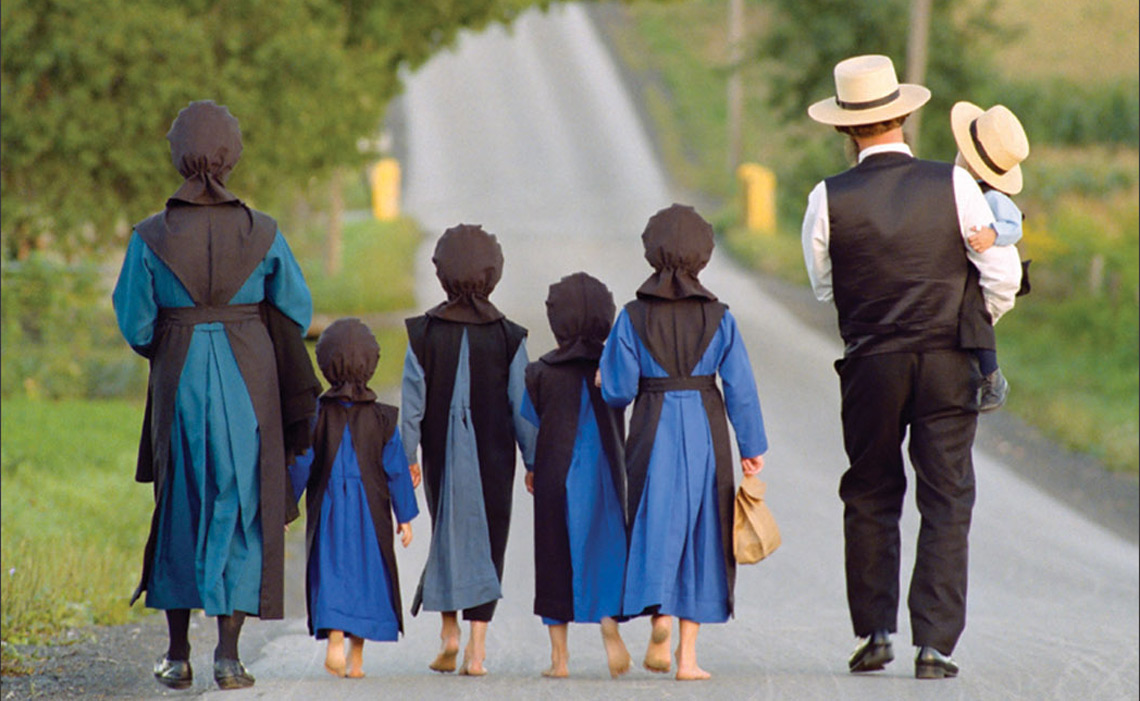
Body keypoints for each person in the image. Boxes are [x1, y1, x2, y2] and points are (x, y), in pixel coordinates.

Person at [801, 55, 1022, 679]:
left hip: (871, 361)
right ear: (904, 113)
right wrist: (972, 321)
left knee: (870, 489)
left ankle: (874, 632)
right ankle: (935, 644)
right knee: (947, 495)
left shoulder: (827, 197)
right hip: (948, 358)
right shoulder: (952, 185)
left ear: (846, 129)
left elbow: (824, 285)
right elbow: (1000, 273)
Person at [113, 100, 316, 690]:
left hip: (178, 375)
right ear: (232, 156)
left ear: (177, 154)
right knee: (243, 506)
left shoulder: (149, 235)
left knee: (180, 502)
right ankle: (229, 656)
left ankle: (177, 655)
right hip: (249, 376)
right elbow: (296, 310)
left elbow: (136, 324)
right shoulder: (263, 230)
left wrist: (175, 335)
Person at [599, 204, 768, 681]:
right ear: (704, 256)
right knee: (705, 532)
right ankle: (688, 659)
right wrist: (751, 445)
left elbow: (619, 390)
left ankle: (660, 618)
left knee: (655, 523)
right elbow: (740, 386)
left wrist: (601, 377)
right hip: (706, 428)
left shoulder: (632, 316)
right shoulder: (720, 317)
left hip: (651, 427)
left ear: (651, 253)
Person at [400, 224, 538, 676]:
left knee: (447, 532)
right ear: (493, 273)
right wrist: (533, 459)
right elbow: (523, 406)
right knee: (489, 535)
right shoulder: (509, 336)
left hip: (440, 451)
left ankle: (449, 632)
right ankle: (477, 650)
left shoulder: (422, 333)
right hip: (494, 455)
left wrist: (408, 457)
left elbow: (412, 403)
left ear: (441, 272)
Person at [287, 318, 418, 679]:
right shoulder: (384, 418)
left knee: (331, 570)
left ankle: (335, 639)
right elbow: (395, 470)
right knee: (367, 574)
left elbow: (302, 462)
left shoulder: (316, 416)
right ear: (371, 363)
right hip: (371, 512)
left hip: (329, 508)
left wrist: (286, 506)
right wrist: (404, 516)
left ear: (325, 363)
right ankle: (356, 657)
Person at [521, 272, 632, 679]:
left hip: (555, 470)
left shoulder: (539, 372)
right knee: (604, 544)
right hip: (606, 469)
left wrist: (531, 466)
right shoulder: (614, 370)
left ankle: (560, 659)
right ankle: (608, 621)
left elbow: (530, 424)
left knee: (554, 554)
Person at [950, 102, 1031, 412]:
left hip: (992, 278)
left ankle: (992, 375)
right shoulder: (975, 194)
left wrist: (993, 235)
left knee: (974, 317)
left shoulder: (994, 198)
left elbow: (1014, 226)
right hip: (980, 273)